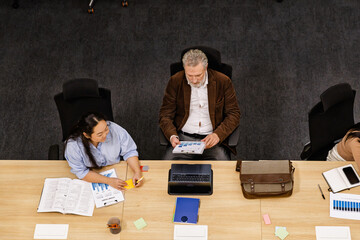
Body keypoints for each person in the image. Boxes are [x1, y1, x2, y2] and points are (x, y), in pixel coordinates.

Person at [159, 49, 241, 160]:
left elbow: (234, 114)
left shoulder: (223, 81)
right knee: (165, 170)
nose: (194, 80)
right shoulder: (176, 81)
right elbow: (165, 115)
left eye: (198, 75)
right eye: (189, 75)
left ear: (205, 67)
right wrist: (172, 136)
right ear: (184, 69)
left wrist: (218, 135)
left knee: (223, 171)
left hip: (211, 141)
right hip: (182, 140)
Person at [64, 112, 142, 190]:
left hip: (117, 169)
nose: (105, 135)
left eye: (106, 129)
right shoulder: (73, 146)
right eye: (100, 134)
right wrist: (108, 181)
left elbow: (129, 151)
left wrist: (137, 171)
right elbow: (82, 172)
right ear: (86, 135)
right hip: (93, 176)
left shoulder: (114, 128)